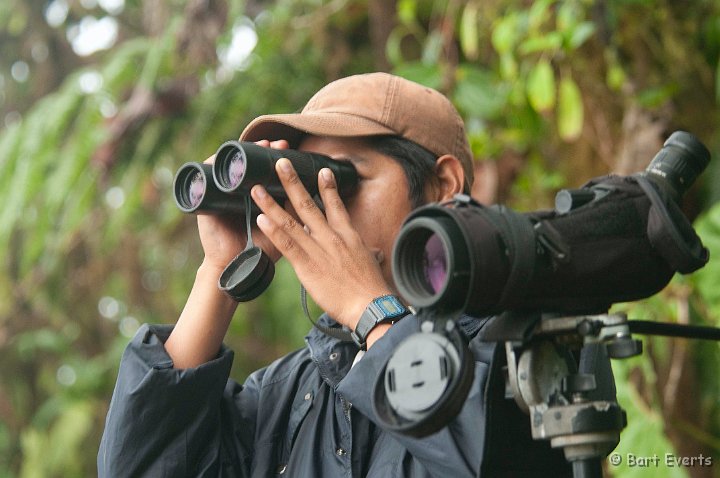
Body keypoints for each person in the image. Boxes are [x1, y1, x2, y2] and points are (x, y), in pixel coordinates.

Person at [98, 72, 569, 477]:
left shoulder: (525, 334)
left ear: (441, 186)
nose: (323, 209)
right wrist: (218, 271)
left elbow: (503, 458)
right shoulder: (283, 399)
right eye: (306, 184)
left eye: (344, 179)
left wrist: (372, 311)